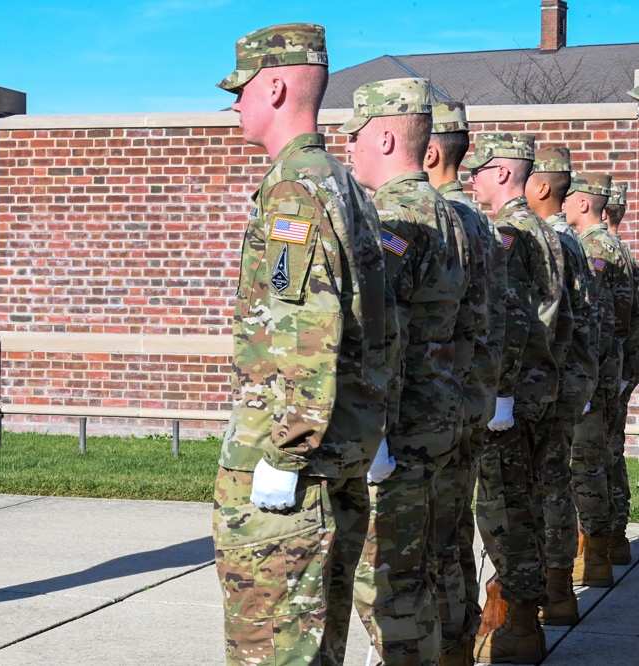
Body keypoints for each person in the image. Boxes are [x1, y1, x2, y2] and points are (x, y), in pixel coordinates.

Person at [213, 23, 389, 665]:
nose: (235, 104)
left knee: (274, 649)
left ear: (277, 86)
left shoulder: (294, 188)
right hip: (338, 450)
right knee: (317, 647)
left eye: (242, 89)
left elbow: (304, 332)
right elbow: (379, 327)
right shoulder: (344, 185)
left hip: (295, 466)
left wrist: (285, 454)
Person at [340, 79, 468, 666]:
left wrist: (373, 432)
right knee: (425, 570)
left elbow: (380, 330)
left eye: (357, 134)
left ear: (387, 136)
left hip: (403, 425)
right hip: (442, 413)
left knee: (389, 585)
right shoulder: (454, 214)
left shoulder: (396, 214)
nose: (349, 148)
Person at [463, 132, 562, 663]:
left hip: (514, 397)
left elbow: (511, 317)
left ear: (503, 173)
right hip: (539, 388)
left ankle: (518, 626)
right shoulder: (542, 230)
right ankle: (525, 615)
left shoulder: (509, 231)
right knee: (527, 504)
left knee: (505, 511)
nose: (470, 177)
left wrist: (499, 394)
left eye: (479, 170)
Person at [423, 101, 501, 665]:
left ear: (430, 151)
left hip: (427, 409)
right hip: (468, 403)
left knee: (423, 549)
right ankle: (460, 646)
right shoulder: (480, 222)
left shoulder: (422, 216)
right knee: (453, 541)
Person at [525, 147, 599, 625]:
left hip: (548, 382)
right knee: (554, 483)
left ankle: (552, 593)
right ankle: (557, 590)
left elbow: (546, 321)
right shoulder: (568, 240)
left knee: (546, 486)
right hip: (570, 378)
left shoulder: (546, 240)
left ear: (542, 186)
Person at [563, 172, 631, 592]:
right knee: (604, 457)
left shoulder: (594, 247)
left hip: (598, 370)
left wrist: (594, 374)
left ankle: (598, 556)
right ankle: (608, 545)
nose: (564, 204)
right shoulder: (606, 245)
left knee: (589, 464)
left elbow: (602, 316)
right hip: (609, 368)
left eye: (570, 198)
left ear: (583, 203)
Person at [602, 182, 638, 566]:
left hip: (605, 371)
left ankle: (602, 542)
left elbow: (614, 320)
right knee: (609, 452)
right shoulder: (626, 255)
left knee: (596, 456)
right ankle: (612, 537)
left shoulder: (603, 254)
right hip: (618, 369)